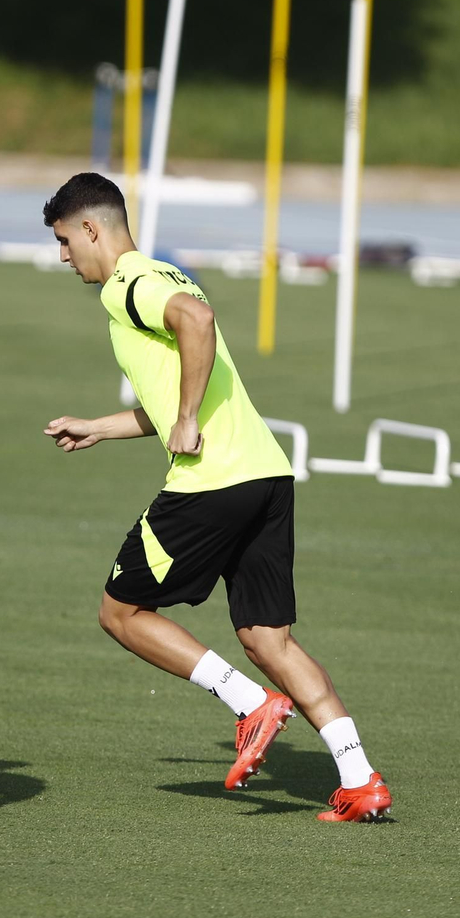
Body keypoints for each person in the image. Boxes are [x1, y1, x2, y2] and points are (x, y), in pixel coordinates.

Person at [39, 173, 391, 822]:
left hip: (212, 481)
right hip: (265, 475)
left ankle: (248, 703)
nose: (64, 256)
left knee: (121, 613)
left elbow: (197, 328)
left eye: (65, 241)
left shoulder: (129, 286)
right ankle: (360, 777)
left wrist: (188, 417)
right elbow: (175, 387)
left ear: (92, 228)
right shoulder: (171, 275)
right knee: (268, 638)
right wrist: (102, 426)